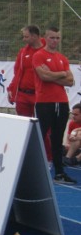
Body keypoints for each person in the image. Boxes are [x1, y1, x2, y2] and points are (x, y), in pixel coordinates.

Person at [33, 26, 77, 184]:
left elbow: (70, 81)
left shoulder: (62, 58)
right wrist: (61, 74)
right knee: (41, 135)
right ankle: (33, 170)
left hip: (62, 102)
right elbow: (43, 76)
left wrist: (53, 74)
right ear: (46, 37)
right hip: (45, 102)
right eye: (52, 38)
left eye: (57, 38)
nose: (55, 41)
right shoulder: (39, 56)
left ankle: (59, 172)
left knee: (58, 138)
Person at [7, 26, 50, 158]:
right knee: (23, 126)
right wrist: (11, 88)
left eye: (26, 36)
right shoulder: (23, 52)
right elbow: (18, 72)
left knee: (43, 128)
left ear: (35, 36)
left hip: (39, 95)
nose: (24, 39)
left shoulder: (47, 51)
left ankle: (47, 156)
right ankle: (23, 155)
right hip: (23, 95)